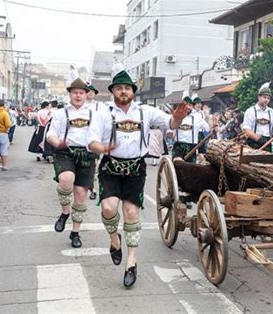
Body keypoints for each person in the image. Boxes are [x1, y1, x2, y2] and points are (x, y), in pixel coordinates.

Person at [87, 70, 189, 288]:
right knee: (108, 208)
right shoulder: (103, 113)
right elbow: (91, 142)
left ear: (133, 91)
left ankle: (131, 262)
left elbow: (171, 124)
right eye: (119, 88)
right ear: (113, 91)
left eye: (127, 88)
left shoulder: (146, 112)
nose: (123, 91)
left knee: (131, 213)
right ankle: (115, 241)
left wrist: (179, 116)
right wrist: (103, 147)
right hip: (110, 166)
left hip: (135, 167)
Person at [46, 78, 98, 248]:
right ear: (69, 94)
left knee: (81, 196)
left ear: (86, 94)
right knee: (66, 179)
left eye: (81, 92)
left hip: (86, 155)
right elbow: (51, 134)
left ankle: (75, 232)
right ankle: (64, 213)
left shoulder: (93, 114)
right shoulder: (60, 113)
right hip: (65, 152)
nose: (78, 95)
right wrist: (57, 143)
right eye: (75, 92)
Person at [242, 83, 273, 152]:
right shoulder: (250, 111)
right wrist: (256, 137)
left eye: (268, 98)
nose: (266, 100)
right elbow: (246, 129)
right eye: (264, 97)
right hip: (254, 141)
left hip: (270, 141)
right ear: (259, 97)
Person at [171, 95, 209, 163]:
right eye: (186, 105)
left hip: (191, 147)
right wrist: (169, 133)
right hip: (179, 145)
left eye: (190, 105)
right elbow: (170, 127)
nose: (188, 107)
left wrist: (207, 116)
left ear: (192, 107)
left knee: (190, 168)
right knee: (178, 163)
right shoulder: (176, 116)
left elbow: (208, 128)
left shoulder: (198, 118)